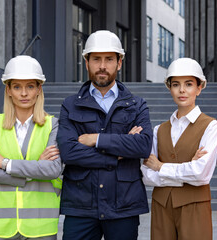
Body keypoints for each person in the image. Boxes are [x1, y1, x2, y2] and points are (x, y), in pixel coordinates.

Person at [57, 30, 153, 240]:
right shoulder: (70, 105)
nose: (102, 66)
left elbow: (143, 146)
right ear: (86, 61)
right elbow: (69, 152)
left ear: (119, 63)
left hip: (123, 204)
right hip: (81, 205)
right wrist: (117, 152)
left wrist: (95, 140)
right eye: (96, 59)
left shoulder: (137, 105)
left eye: (109, 59)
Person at [0, 55, 62, 240]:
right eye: (17, 87)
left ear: (39, 89)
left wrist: (5, 163)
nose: (24, 93)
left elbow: (53, 170)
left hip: (40, 225)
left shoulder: (52, 125)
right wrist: (34, 170)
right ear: (8, 90)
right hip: (0, 225)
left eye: (30, 86)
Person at [141, 58, 217, 240]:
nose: (182, 90)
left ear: (199, 88)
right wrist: (186, 172)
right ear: (169, 88)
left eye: (189, 84)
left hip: (195, 207)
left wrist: (161, 167)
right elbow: (146, 174)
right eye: (176, 84)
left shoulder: (211, 126)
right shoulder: (158, 130)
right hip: (161, 206)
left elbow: (201, 174)